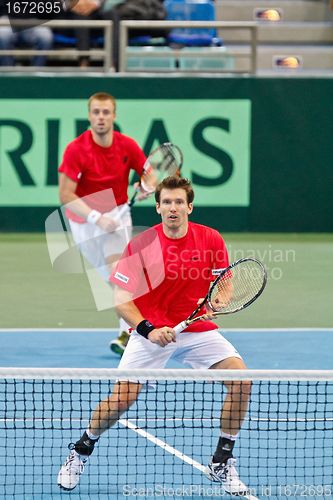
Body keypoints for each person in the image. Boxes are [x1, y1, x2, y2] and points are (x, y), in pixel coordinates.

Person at [57, 176, 252, 497]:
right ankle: (82, 448)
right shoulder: (142, 245)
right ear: (158, 207)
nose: (173, 208)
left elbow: (224, 283)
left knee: (242, 381)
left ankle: (222, 460)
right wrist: (148, 328)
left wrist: (219, 300)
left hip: (196, 329)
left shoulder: (211, 239)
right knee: (121, 400)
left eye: (179, 202)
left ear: (189, 206)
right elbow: (120, 298)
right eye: (167, 202)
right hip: (151, 331)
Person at [58, 91, 151, 356]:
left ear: (114, 115)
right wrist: (97, 218)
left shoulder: (127, 145)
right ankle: (130, 327)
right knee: (110, 279)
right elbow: (65, 195)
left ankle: (129, 333)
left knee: (120, 273)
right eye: (96, 112)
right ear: (89, 116)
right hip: (84, 221)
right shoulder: (76, 149)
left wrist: (146, 187)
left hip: (119, 213)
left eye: (106, 112)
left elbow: (150, 174)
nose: (101, 117)